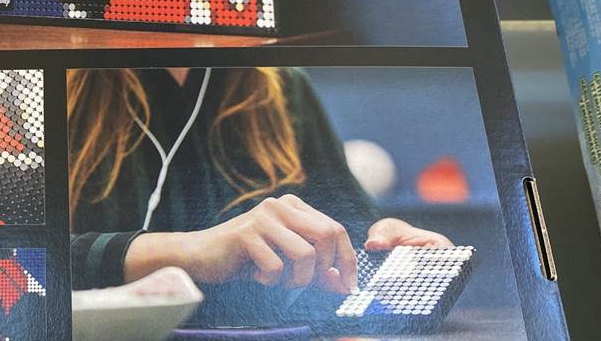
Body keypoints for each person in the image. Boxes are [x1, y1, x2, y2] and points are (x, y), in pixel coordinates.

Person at [68, 67, 451, 324]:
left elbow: (350, 230)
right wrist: (192, 251)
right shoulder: (61, 89)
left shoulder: (284, 88)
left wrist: (386, 245)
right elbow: (35, 260)